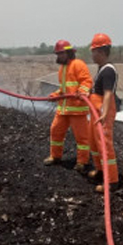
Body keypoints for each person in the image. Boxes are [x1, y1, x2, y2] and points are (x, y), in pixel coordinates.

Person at [44, 40, 93, 172]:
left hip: (77, 110)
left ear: (68, 52)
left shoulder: (78, 64)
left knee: (82, 137)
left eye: (61, 53)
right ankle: (55, 156)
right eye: (57, 54)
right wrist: (56, 94)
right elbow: (64, 89)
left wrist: (82, 91)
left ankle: (82, 162)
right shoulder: (62, 69)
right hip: (63, 109)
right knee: (55, 131)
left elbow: (87, 81)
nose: (58, 56)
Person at [87, 33, 123, 193]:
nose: (92, 55)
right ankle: (100, 170)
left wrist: (104, 113)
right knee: (94, 143)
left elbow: (108, 94)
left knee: (104, 145)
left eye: (93, 51)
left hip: (103, 112)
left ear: (100, 52)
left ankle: (111, 182)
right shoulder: (101, 70)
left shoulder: (108, 71)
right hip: (95, 111)